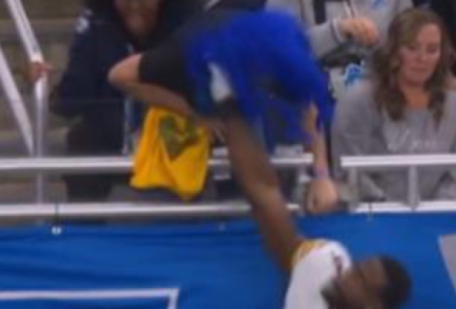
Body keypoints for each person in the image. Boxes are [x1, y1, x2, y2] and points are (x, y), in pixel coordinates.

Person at [221, 84, 426, 309]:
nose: (346, 275)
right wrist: (230, 113)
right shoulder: (320, 265)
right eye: (356, 268)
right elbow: (264, 199)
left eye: (359, 281)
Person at [109, 9, 339, 214]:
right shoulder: (184, 52)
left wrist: (321, 174)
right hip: (191, 169)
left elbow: (308, 104)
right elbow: (119, 75)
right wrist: (193, 111)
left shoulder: (273, 53)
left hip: (262, 154)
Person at [30, 0, 199, 201]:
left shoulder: (190, 22)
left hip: (173, 137)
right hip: (111, 137)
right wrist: (44, 83)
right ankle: (83, 220)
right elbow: (72, 98)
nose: (135, 5)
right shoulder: (96, 21)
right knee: (83, 140)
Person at [332, 8, 456, 204]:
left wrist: (438, 208)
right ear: (393, 51)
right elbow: (347, 170)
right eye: (412, 47)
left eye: (432, 50)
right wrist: (393, 211)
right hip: (374, 215)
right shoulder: (358, 100)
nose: (422, 58)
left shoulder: (455, 105)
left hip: (438, 216)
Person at [266, 0, 421, 98]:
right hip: (315, 97)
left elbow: (410, 39)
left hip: (383, 91)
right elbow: (279, 52)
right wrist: (337, 30)